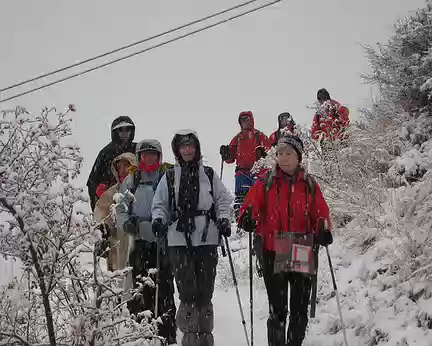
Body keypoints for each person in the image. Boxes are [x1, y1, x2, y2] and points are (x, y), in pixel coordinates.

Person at [238, 133, 333, 346]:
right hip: (273, 248)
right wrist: (246, 218)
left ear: (298, 156)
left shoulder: (308, 184)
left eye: (288, 153)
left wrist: (324, 229)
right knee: (278, 310)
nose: (283, 157)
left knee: (299, 310)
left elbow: (320, 213)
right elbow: (250, 207)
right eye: (280, 153)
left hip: (300, 245)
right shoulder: (266, 181)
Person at [152, 130, 232, 346]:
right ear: (177, 149)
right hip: (179, 241)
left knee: (205, 292)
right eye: (183, 146)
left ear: (196, 148)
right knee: (187, 293)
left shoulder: (208, 174)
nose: (187, 150)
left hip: (207, 240)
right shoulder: (169, 176)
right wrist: (159, 219)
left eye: (190, 145)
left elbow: (223, 199)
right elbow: (159, 204)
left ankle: (206, 338)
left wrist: (223, 219)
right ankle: (189, 338)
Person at [116, 139, 176, 344]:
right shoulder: (131, 180)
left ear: (159, 156)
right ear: (140, 156)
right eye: (145, 154)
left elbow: (175, 204)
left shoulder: (167, 177)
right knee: (141, 288)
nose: (148, 158)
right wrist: (127, 223)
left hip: (163, 241)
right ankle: (143, 332)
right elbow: (121, 207)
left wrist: (167, 221)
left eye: (153, 154)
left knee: (165, 288)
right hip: (140, 241)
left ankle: (167, 333)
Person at [93, 152, 138, 272]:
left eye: (126, 166)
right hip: (117, 242)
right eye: (119, 168)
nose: (123, 170)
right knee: (119, 279)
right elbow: (101, 212)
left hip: (141, 241)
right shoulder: (112, 192)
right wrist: (103, 229)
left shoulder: (142, 187)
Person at [219, 111, 269, 216]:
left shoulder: (260, 136)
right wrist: (226, 154)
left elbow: (270, 154)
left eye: (247, 119)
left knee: (258, 199)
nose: (245, 122)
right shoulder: (237, 138)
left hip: (257, 173)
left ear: (251, 120)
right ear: (240, 123)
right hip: (241, 173)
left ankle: (257, 223)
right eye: (242, 120)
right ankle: (240, 222)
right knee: (241, 201)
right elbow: (230, 158)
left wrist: (265, 155)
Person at [87, 116, 137, 211]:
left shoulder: (138, 149)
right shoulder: (105, 153)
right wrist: (98, 203)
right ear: (115, 132)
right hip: (112, 201)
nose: (124, 133)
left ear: (132, 131)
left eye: (128, 129)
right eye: (121, 130)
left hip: (136, 197)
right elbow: (92, 182)